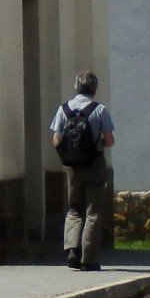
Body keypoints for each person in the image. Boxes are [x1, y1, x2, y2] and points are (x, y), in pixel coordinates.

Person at [49, 70, 115, 269]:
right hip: (94, 165)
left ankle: (72, 250)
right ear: (94, 89)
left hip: (72, 167)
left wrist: (68, 154)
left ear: (76, 87)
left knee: (74, 208)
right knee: (93, 211)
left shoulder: (64, 109)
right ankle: (88, 259)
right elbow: (110, 141)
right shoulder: (100, 110)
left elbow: (56, 139)